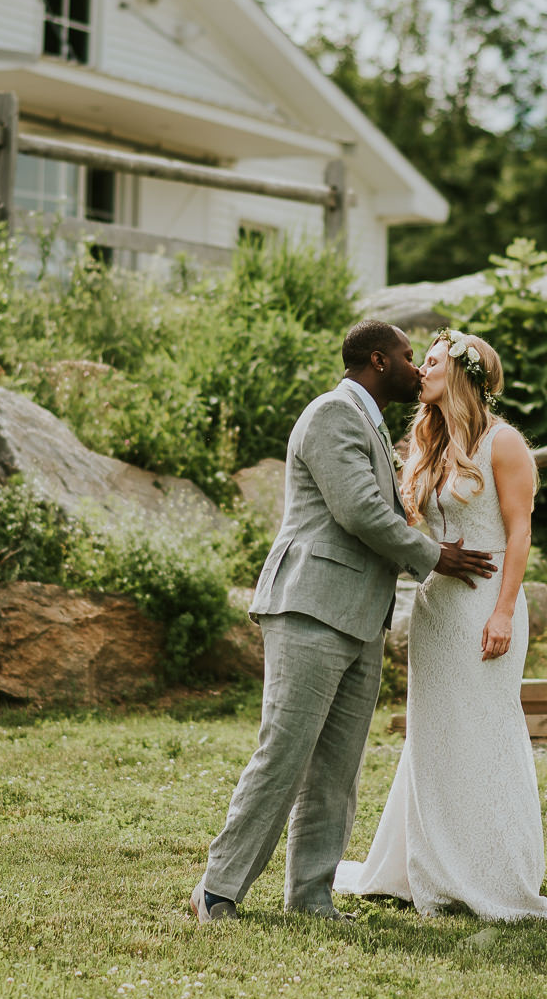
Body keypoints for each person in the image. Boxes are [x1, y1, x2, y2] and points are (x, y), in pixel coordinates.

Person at [191, 319, 498, 923]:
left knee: (337, 767)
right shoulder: (332, 413)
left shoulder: (374, 426)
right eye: (410, 358)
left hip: (359, 619)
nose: (418, 368)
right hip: (311, 607)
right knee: (284, 752)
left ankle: (309, 896)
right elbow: (358, 511)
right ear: (379, 361)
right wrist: (436, 557)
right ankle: (217, 889)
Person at [334, 329, 547, 921]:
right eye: (418, 361)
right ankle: (429, 865)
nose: (419, 370)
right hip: (436, 611)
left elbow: (519, 532)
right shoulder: (426, 444)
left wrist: (505, 611)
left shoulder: (503, 442)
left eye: (430, 362)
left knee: (486, 730)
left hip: (487, 606)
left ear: (461, 373)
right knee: (433, 736)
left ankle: (495, 870)